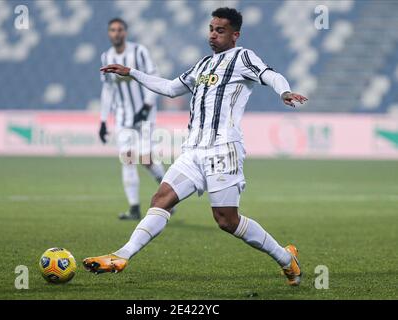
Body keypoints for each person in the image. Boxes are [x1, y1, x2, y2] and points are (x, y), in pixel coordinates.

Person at [85, 8, 308, 286]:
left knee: (227, 221)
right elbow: (169, 87)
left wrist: (284, 91)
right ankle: (122, 255)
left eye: (221, 30)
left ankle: (286, 259)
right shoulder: (202, 65)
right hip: (193, 150)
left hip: (223, 149)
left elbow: (270, 75)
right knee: (161, 199)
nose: (213, 35)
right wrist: (132, 72)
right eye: (212, 29)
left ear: (235, 34)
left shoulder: (243, 57)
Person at [99, 18, 167, 220]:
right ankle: (134, 208)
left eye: (120, 29)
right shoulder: (106, 56)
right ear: (109, 33)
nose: (116, 33)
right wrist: (103, 120)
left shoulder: (139, 52)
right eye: (112, 30)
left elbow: (154, 77)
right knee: (127, 158)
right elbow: (108, 89)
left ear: (125, 32)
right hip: (123, 116)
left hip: (145, 114)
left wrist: (146, 105)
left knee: (146, 160)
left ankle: (169, 195)